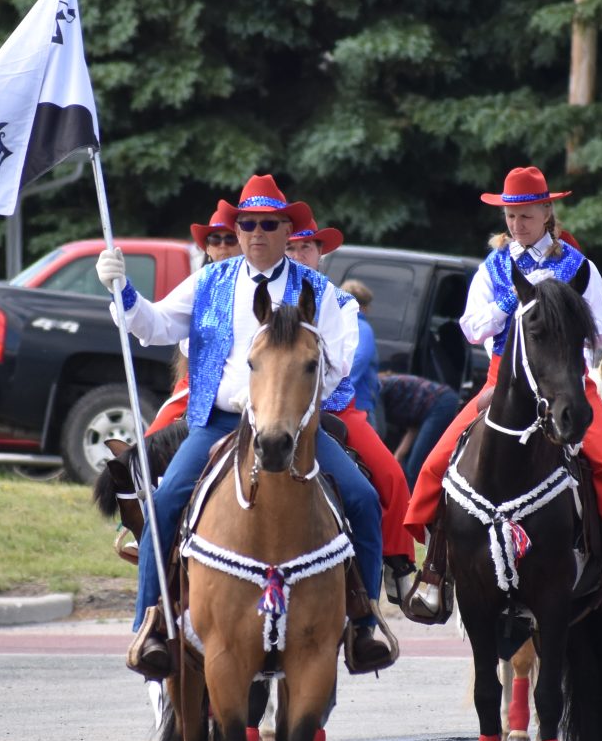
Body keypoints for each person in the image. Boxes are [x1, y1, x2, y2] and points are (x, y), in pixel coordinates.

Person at [94, 174, 397, 678]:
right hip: (222, 423)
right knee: (166, 503)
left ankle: (363, 621)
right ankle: (150, 622)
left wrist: (293, 404)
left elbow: (338, 364)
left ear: (286, 230)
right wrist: (122, 290)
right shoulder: (210, 281)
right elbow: (153, 326)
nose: (257, 232)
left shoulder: (317, 291)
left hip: (294, 428)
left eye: (269, 224)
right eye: (247, 223)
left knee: (363, 499)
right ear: (236, 230)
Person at [403, 166, 602, 621]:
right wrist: (511, 301)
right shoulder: (493, 268)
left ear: (548, 212)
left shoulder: (579, 267)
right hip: (502, 383)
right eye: (510, 216)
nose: (517, 225)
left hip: (565, 379)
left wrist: (577, 342)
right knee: (438, 462)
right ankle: (434, 569)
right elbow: (471, 329)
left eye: (526, 215)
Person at [283, 209, 418, 596]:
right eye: (290, 247)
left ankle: (396, 565)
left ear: (319, 253)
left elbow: (344, 363)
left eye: (305, 247)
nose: (297, 255)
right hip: (269, 408)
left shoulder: (342, 303)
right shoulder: (264, 293)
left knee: (388, 477)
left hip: (332, 408)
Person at [147, 200, 239, 434]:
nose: (222, 247)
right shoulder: (199, 283)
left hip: (250, 390)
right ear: (207, 248)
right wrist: (124, 294)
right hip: (198, 385)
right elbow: (160, 319)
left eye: (229, 239)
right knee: (152, 439)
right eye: (215, 240)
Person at [378, 371, 462, 485]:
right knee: (408, 465)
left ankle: (413, 501)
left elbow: (378, 431)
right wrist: (397, 457)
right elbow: (413, 428)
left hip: (441, 402)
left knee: (415, 467)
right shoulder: (398, 400)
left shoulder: (382, 388)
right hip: (434, 407)